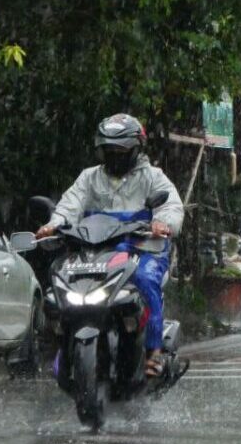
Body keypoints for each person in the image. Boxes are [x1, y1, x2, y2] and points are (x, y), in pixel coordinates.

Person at [36, 113, 184, 378]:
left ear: (136, 150)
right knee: (61, 283)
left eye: (121, 150)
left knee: (145, 280)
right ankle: (63, 346)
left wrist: (162, 222)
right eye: (109, 150)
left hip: (143, 249)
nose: (115, 156)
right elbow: (70, 205)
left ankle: (153, 351)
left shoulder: (153, 177)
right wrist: (54, 224)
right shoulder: (89, 178)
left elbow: (171, 206)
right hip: (98, 251)